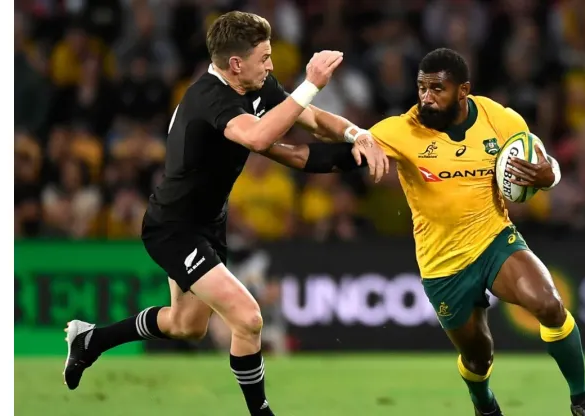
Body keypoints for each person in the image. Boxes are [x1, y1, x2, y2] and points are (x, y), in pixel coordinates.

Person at [61, 11, 388, 416]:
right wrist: (312, 84)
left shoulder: (255, 84)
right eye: (264, 57)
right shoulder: (210, 98)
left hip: (208, 223)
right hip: (174, 227)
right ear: (236, 63)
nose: (271, 65)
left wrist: (358, 134)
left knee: (186, 326)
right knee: (248, 319)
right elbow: (258, 136)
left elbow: (312, 122)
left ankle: (90, 341)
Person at [288, 47, 585, 416]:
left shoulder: (499, 119)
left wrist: (549, 174)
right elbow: (334, 148)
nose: (427, 96)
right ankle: (484, 405)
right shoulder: (400, 130)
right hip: (443, 265)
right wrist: (279, 132)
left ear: (463, 90)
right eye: (422, 88)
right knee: (477, 356)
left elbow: (542, 160)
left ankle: (582, 401)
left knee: (549, 305)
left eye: (437, 88)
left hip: (494, 240)